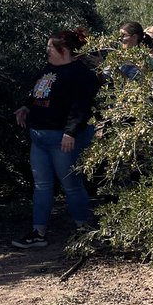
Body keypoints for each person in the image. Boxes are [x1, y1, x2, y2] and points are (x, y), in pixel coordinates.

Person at [11, 28, 102, 248]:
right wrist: (26, 106)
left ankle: (84, 229)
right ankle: (38, 232)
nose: (47, 50)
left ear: (64, 50)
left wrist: (70, 131)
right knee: (42, 185)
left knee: (71, 184)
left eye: (50, 47)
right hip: (39, 137)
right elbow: (38, 92)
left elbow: (82, 107)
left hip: (63, 139)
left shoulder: (80, 74)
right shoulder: (48, 69)